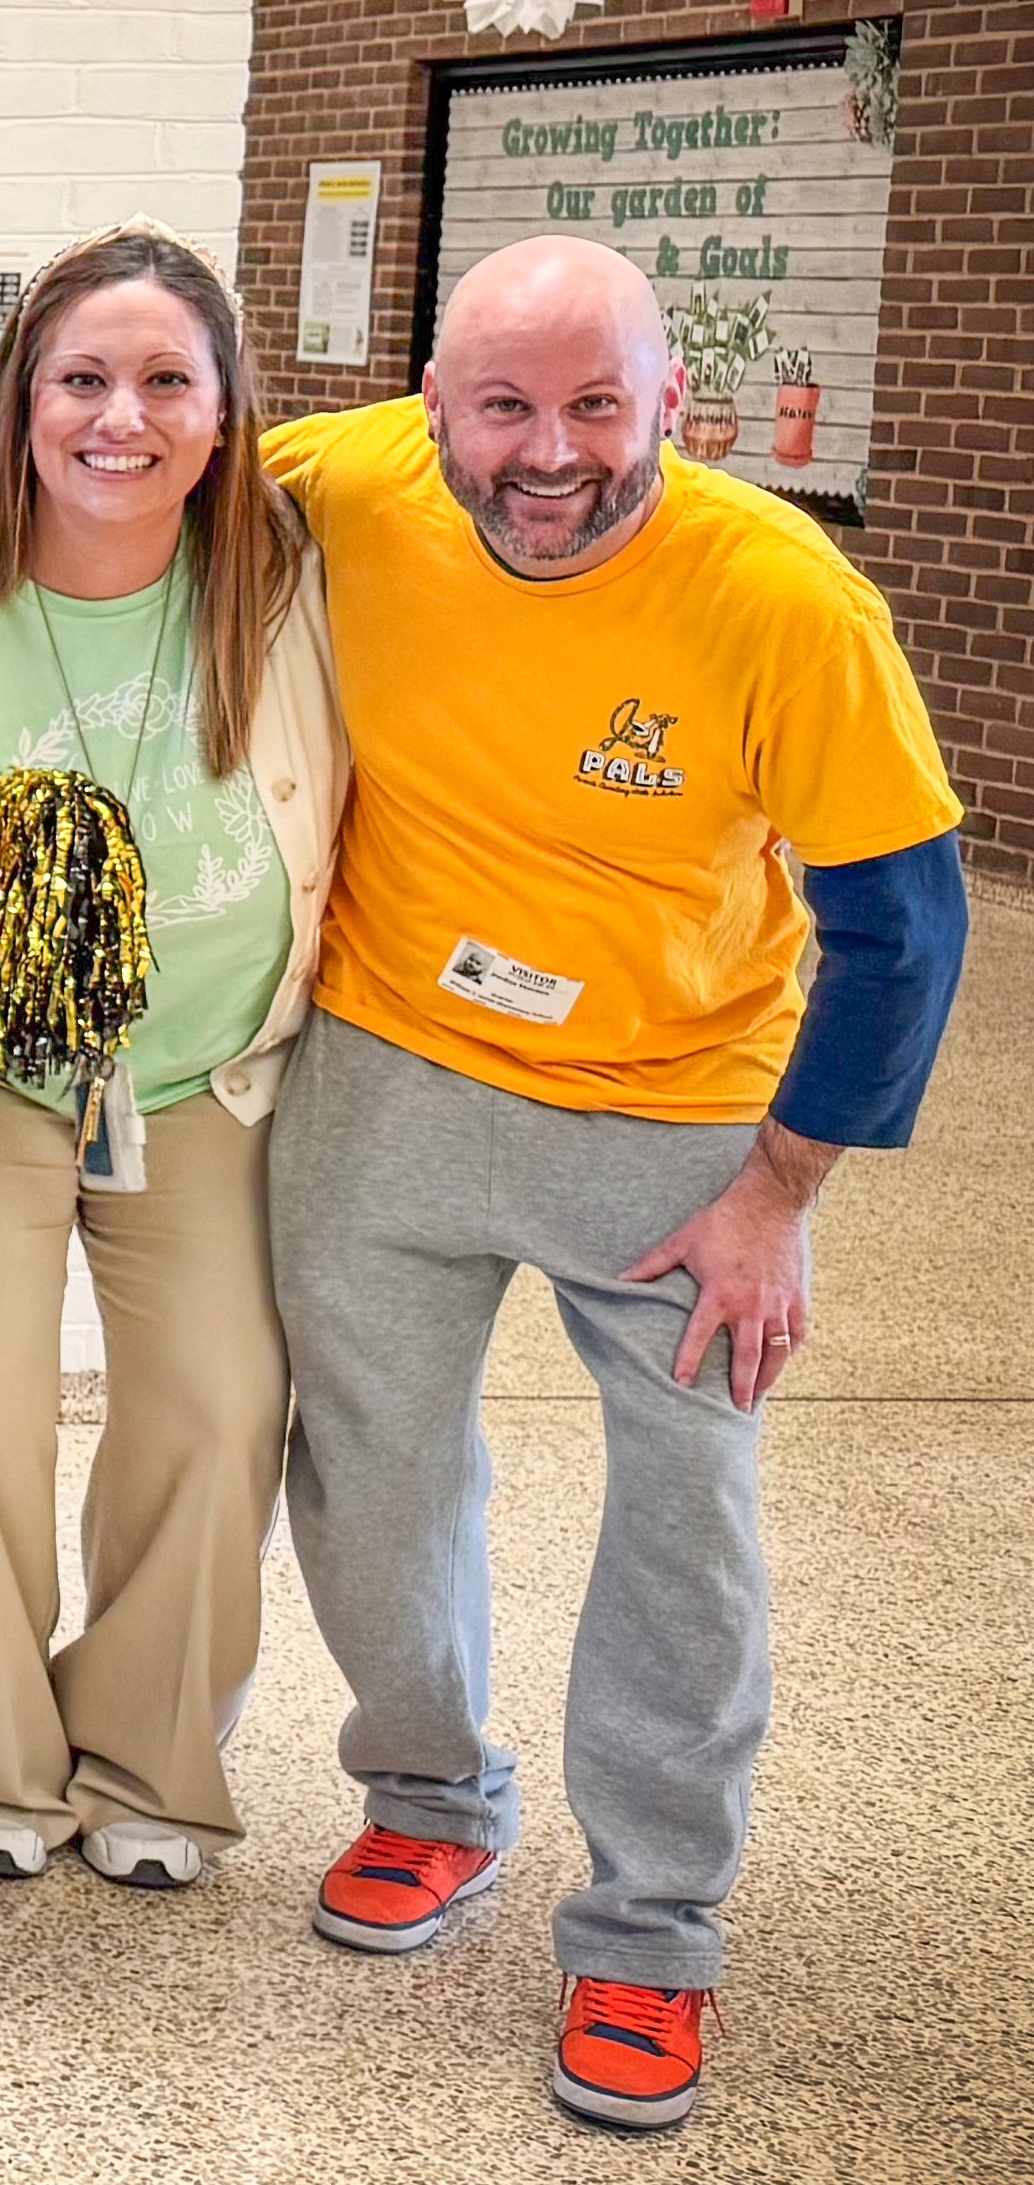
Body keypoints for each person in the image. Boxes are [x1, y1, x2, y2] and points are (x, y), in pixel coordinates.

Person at [257, 236, 965, 2135]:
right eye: (503, 407)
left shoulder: (776, 595)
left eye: (595, 404)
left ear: (671, 400)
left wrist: (778, 1196)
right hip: (386, 1077)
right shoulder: (341, 485)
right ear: (432, 412)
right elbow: (121, 490)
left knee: (683, 1522)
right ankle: (427, 1798)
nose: (548, 453)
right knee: (372, 1469)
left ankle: (649, 1930)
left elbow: (902, 925)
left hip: (678, 1126)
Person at [0, 228, 340, 1892]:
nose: (122, 418)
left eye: (165, 380)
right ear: (19, 403)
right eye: (83, 380)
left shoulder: (291, 583)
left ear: (222, 408)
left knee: (215, 1402)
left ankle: (149, 1761)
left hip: (200, 1072)